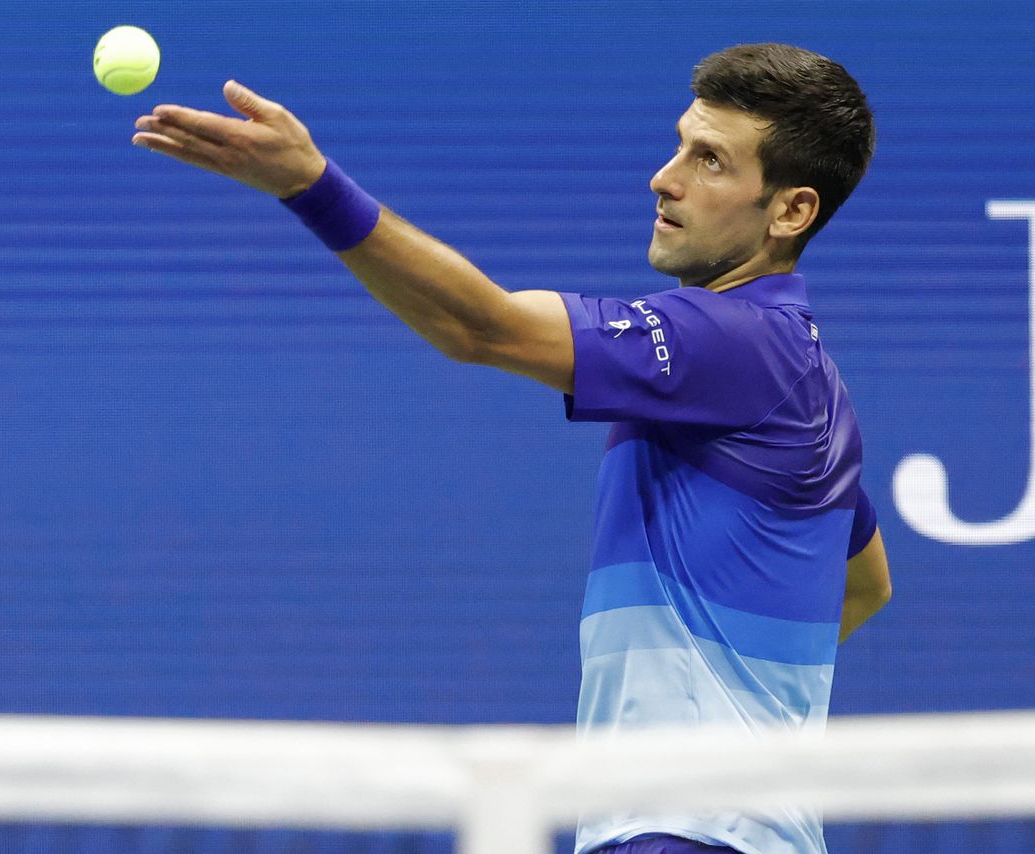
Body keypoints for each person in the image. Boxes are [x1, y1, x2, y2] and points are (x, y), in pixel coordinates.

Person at [131, 42, 892, 854]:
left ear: (791, 211)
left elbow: (479, 327)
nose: (664, 179)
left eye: (710, 162)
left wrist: (310, 187)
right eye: (679, 145)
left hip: (683, 833)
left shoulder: (733, 342)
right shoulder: (806, 374)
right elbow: (864, 584)